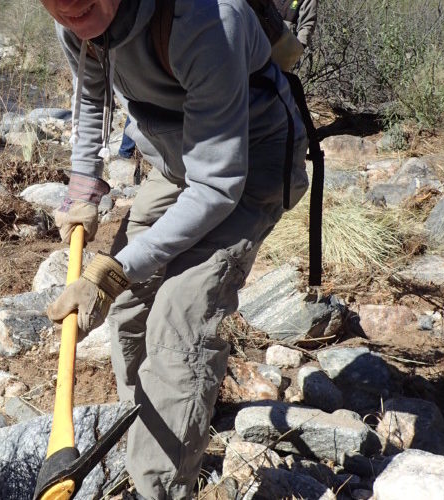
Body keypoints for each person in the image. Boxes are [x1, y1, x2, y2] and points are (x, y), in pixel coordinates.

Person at [42, 0, 309, 498]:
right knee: (127, 306)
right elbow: (90, 94)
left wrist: (114, 268)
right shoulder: (76, 19)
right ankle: (151, 428)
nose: (67, 3)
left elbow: (217, 187)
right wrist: (83, 183)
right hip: (176, 164)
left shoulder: (207, 21)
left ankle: (157, 487)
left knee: (179, 315)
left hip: (250, 166)